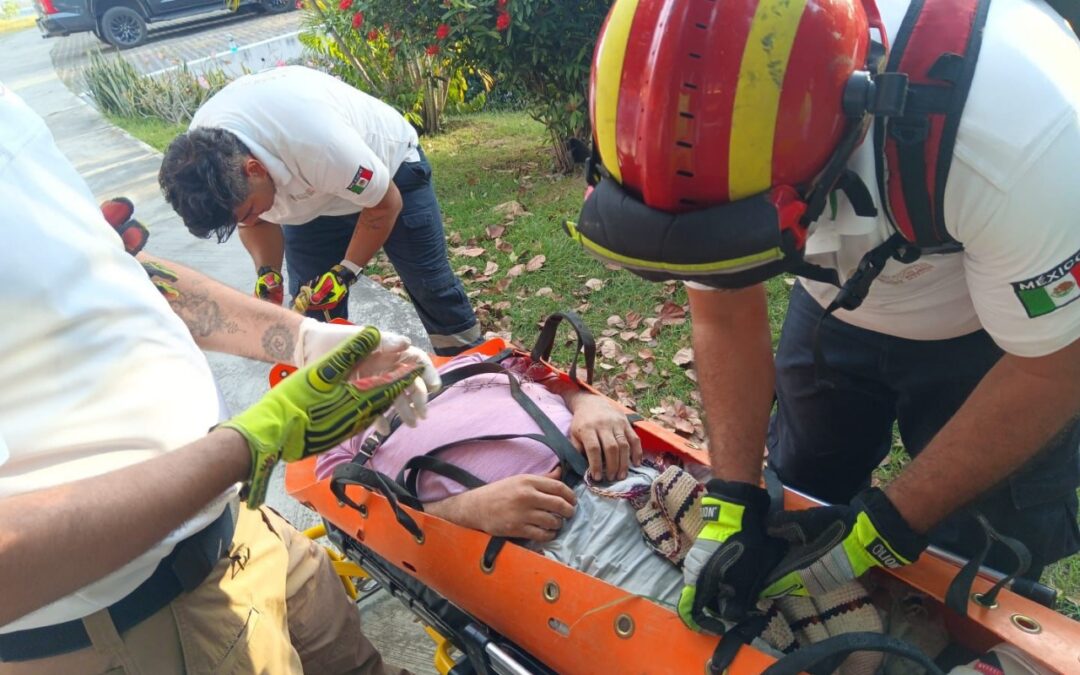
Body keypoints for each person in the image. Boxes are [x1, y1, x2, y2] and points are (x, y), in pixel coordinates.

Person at [570, 0, 1080, 631]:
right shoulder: (685, 123)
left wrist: (894, 522)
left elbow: (1054, 365)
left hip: (997, 341)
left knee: (985, 551)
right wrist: (733, 497)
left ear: (852, 126)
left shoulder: (1029, 129)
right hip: (837, 304)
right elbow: (724, 303)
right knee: (802, 485)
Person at [0, 82, 441, 674]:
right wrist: (249, 444)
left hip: (239, 525)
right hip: (133, 619)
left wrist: (302, 337)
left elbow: (129, 274)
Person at [157, 65, 482, 356]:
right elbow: (252, 223)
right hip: (313, 198)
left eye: (250, 212)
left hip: (390, 172)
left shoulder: (319, 144)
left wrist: (346, 271)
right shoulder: (205, 158)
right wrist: (267, 271)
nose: (254, 220)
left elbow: (386, 204)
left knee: (430, 284)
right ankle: (340, 395)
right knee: (313, 309)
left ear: (254, 169)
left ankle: (472, 369)